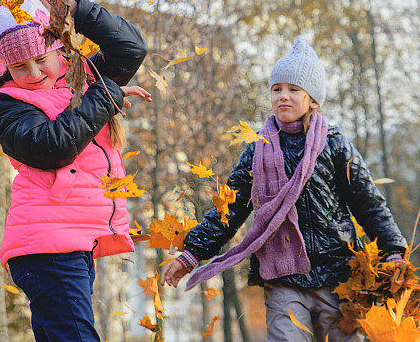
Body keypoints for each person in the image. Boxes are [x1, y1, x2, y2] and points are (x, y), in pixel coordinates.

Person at [161, 36, 407, 341]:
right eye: (276, 89)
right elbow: (230, 209)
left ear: (313, 100)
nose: (283, 97)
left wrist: (393, 250)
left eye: (294, 89)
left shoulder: (334, 144)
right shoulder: (257, 149)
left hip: (338, 276)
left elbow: (368, 202)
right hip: (282, 277)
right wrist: (193, 252)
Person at [0, 0, 150, 342]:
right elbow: (54, 146)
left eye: (41, 59)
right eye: (21, 67)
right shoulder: (5, 103)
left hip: (73, 242)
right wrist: (107, 95)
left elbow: (131, 49)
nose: (35, 72)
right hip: (46, 247)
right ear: (7, 68)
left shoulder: (79, 80)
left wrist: (78, 11)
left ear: (58, 51)